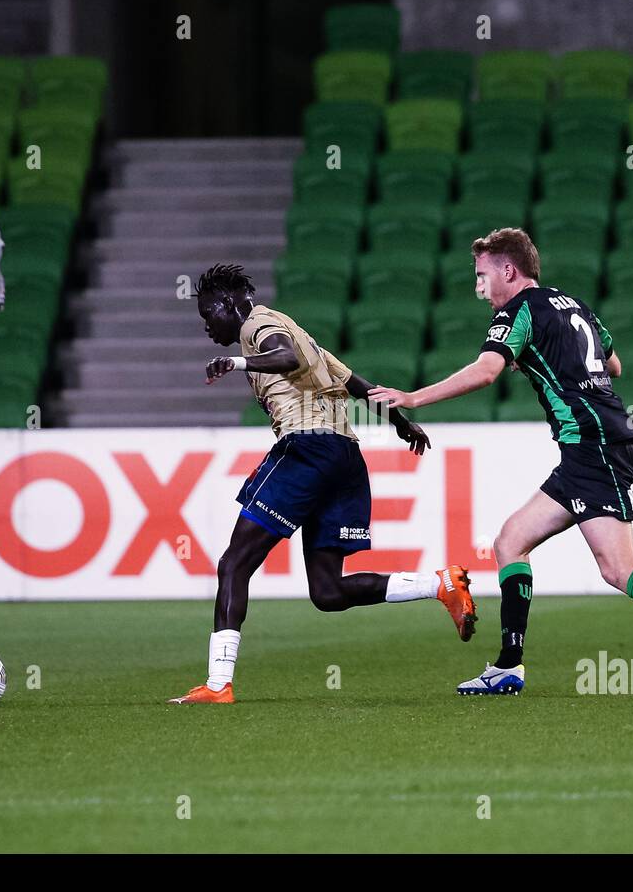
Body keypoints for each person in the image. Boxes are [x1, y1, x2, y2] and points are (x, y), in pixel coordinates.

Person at [368, 229, 633, 696]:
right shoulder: (573, 304)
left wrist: (412, 398)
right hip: (595, 440)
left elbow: (487, 371)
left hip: (593, 443)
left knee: (617, 567)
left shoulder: (516, 312)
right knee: (510, 541)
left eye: (482, 276)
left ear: (509, 270)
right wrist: (551, 361)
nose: (479, 287)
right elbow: (615, 364)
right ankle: (509, 665)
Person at [167, 263, 478, 704]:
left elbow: (285, 357)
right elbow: (354, 382)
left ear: (228, 304)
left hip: (307, 449)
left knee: (234, 564)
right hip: (344, 458)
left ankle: (218, 684)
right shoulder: (301, 333)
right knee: (328, 592)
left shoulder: (260, 325)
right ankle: (440, 584)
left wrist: (236, 362)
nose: (206, 326)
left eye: (207, 315)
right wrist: (400, 422)